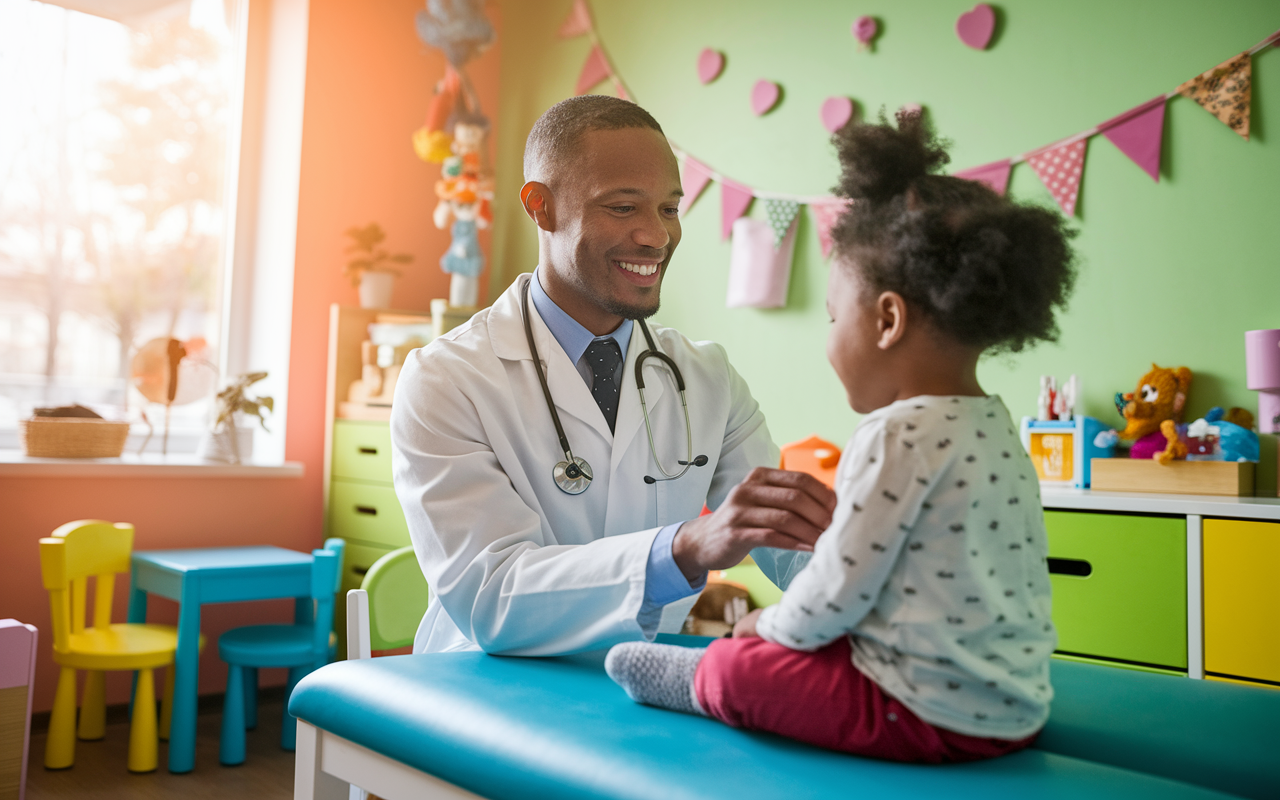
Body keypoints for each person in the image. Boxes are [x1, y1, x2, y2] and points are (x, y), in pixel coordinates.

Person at [605, 110, 1078, 764]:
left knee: (740, 667)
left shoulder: (897, 436)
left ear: (887, 319)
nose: (828, 341)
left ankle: (697, 681)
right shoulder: (993, 423)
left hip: (918, 711)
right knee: (806, 646)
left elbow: (837, 589)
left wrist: (759, 630)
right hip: (1011, 706)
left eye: (832, 316)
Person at [391, 95, 836, 656]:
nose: (656, 236)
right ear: (541, 207)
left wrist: (877, 585)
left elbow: (788, 539)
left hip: (639, 690)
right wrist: (685, 549)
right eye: (624, 208)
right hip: (487, 693)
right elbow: (491, 594)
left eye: (670, 209)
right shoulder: (447, 379)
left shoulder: (707, 377)